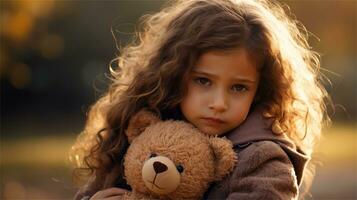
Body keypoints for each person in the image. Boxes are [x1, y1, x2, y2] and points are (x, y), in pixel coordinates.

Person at [70, 0, 331, 199]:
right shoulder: (143, 133)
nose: (219, 102)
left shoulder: (264, 160)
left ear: (260, 91)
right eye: (203, 81)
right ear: (173, 75)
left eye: (239, 87)